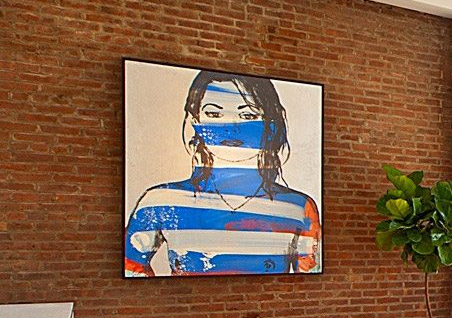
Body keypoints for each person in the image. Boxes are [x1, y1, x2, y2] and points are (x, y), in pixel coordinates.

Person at [124, 69, 321, 275]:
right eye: (214, 114)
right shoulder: (162, 201)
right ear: (195, 122)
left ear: (271, 127)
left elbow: (309, 278)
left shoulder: (298, 207)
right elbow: (130, 267)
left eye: (248, 115)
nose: (231, 128)